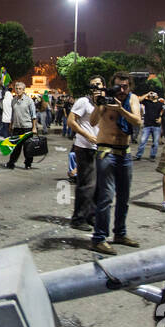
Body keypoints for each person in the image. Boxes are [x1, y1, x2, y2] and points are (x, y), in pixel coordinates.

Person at [90, 71, 142, 254]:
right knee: (106, 197)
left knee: (124, 197)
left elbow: (137, 121)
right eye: (118, 86)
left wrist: (120, 109)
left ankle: (120, 233)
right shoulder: (106, 99)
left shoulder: (133, 99)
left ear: (130, 86)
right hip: (107, 151)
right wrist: (99, 104)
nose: (122, 90)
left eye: (125, 86)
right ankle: (99, 238)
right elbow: (93, 121)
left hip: (125, 153)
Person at [67, 76, 102, 227]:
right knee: (86, 184)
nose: (96, 88)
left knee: (98, 185)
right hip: (84, 146)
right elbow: (71, 121)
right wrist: (88, 136)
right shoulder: (83, 101)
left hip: (101, 147)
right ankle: (78, 218)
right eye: (93, 85)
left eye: (99, 84)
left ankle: (91, 216)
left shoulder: (104, 103)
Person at [4, 80, 39, 169]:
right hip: (17, 127)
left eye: (20, 89)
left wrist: (34, 128)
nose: (18, 90)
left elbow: (33, 115)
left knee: (27, 148)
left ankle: (28, 164)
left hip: (27, 127)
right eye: (17, 88)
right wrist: (11, 125)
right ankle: (11, 163)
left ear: (23, 90)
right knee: (15, 147)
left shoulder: (29, 101)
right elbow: (13, 113)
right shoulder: (13, 100)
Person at [134, 90, 161, 160]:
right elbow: (139, 100)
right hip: (147, 125)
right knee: (143, 141)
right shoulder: (147, 102)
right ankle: (138, 155)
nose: (153, 95)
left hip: (156, 126)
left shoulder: (160, 104)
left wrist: (161, 118)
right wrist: (147, 94)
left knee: (155, 142)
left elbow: (164, 111)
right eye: (152, 94)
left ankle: (152, 156)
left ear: (157, 96)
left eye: (155, 94)